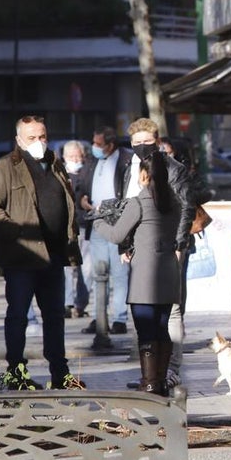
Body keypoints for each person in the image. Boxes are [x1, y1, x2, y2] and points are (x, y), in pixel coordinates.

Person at [0, 115, 85, 390]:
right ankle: (16, 374)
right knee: (18, 315)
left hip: (54, 255)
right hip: (22, 257)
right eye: (32, 138)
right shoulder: (4, 168)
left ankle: (60, 374)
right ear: (19, 140)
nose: (39, 142)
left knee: (55, 317)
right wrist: (17, 232)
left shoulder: (55, 164)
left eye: (42, 136)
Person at [92, 155, 181, 394]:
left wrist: (98, 220)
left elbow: (116, 235)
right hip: (169, 272)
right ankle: (160, 382)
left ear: (144, 175)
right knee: (162, 328)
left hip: (145, 276)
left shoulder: (139, 203)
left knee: (146, 331)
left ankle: (149, 382)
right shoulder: (175, 202)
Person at [123, 118, 198, 392]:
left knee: (171, 311)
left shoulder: (173, 168)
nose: (142, 146)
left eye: (147, 141)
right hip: (139, 249)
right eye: (137, 142)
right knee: (143, 313)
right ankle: (150, 374)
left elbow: (186, 207)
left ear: (157, 140)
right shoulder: (130, 167)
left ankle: (170, 371)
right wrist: (125, 245)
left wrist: (178, 244)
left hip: (168, 247)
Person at [77, 126, 133, 331]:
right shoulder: (92, 161)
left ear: (110, 144)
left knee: (119, 274)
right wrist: (82, 200)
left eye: (99, 144)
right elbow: (81, 187)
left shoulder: (126, 160)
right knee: (98, 274)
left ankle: (119, 318)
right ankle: (99, 317)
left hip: (118, 223)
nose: (95, 147)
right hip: (96, 223)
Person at [60, 140, 90, 319]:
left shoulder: (88, 173)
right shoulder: (59, 174)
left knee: (86, 269)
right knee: (68, 268)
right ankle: (67, 303)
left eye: (78, 156)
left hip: (85, 225)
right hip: (67, 227)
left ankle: (80, 304)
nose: (75, 159)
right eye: (71, 156)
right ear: (65, 157)